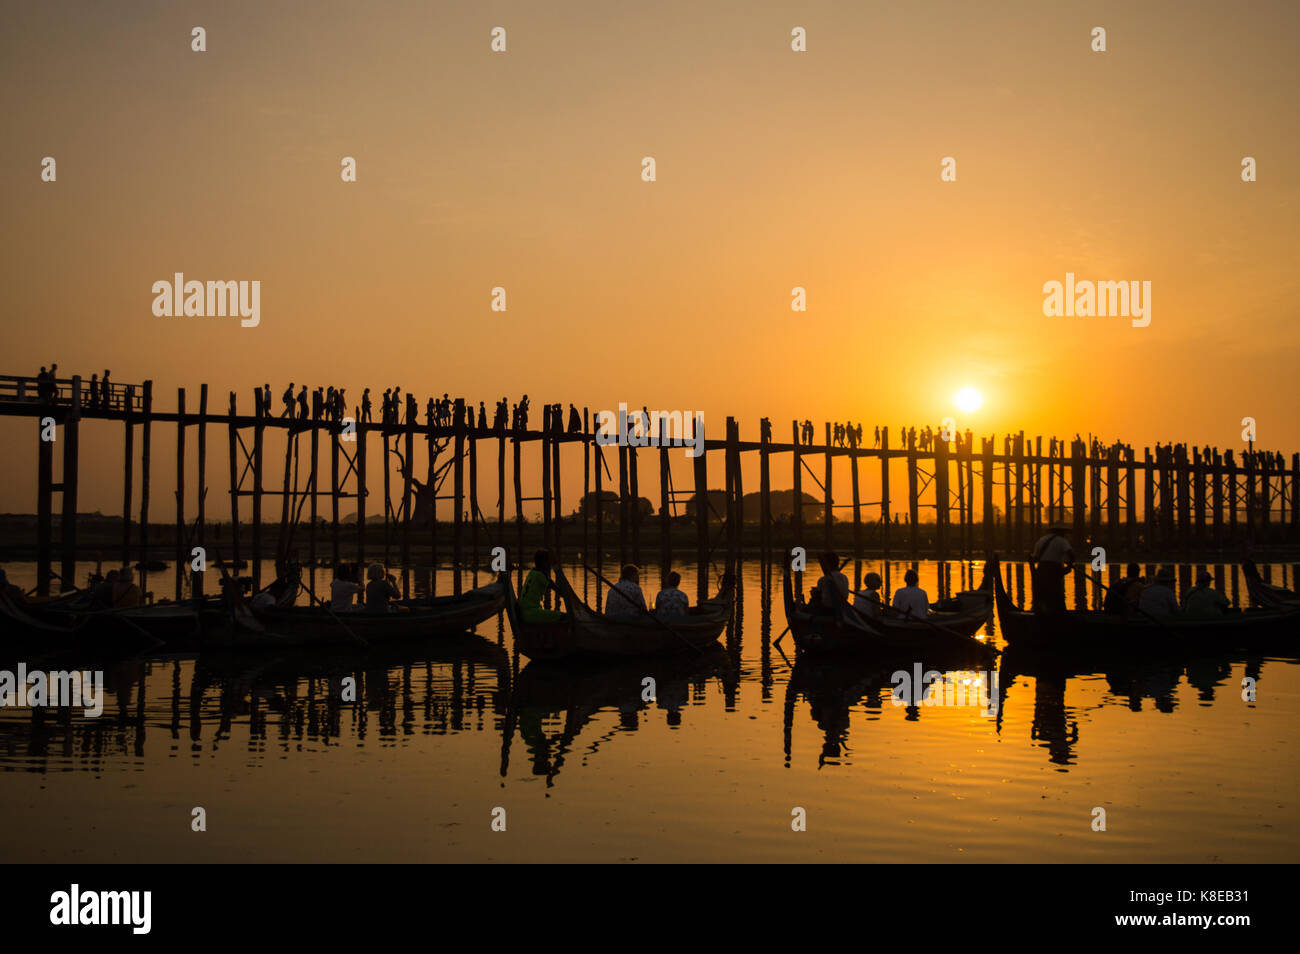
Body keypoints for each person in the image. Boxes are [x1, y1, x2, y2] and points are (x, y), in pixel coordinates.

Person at [1031, 525, 1073, 613]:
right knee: (1056, 594)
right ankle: (1057, 614)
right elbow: (1071, 554)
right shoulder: (1062, 541)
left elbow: (1035, 558)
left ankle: (1041, 613)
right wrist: (1069, 566)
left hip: (1041, 569)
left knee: (1042, 594)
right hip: (1055, 570)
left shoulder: (1041, 540)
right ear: (1061, 532)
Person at [520, 549, 564, 623]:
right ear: (543, 563)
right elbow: (559, 591)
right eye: (548, 562)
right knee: (564, 616)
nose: (549, 565)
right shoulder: (541, 576)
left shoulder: (532, 572)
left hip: (525, 612)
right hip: (531, 613)